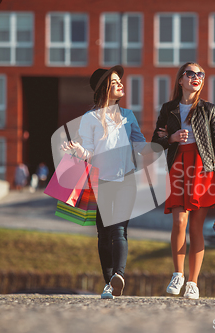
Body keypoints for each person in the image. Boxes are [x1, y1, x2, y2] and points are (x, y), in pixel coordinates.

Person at [152, 62, 215, 299]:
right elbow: (155, 144)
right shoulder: (169, 109)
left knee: (196, 227)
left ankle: (193, 283)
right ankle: (178, 274)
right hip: (178, 166)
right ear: (181, 80)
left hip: (203, 168)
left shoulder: (208, 109)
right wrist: (173, 138)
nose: (196, 77)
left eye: (201, 74)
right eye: (191, 73)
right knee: (179, 223)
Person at [61, 65, 147, 299]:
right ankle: (109, 283)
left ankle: (118, 276)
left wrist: (162, 143)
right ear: (104, 88)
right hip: (100, 182)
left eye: (121, 80)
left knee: (118, 230)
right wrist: (78, 150)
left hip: (126, 179)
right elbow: (87, 152)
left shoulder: (128, 116)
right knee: (104, 233)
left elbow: (140, 145)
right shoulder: (89, 119)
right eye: (115, 81)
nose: (121, 84)